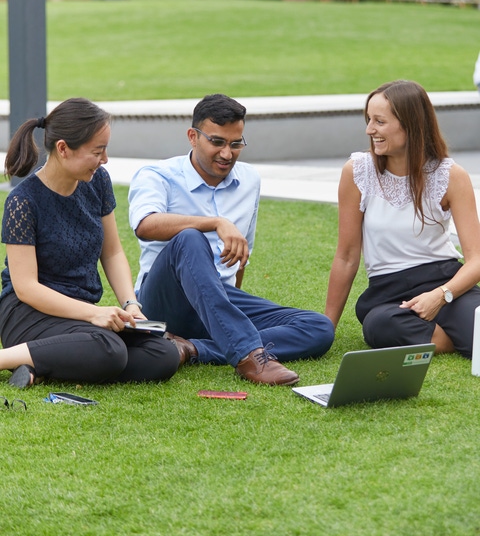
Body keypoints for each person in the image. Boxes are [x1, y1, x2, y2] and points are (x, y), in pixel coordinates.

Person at [128, 93, 334, 385]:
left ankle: (191, 347)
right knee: (189, 238)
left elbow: (240, 254)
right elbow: (144, 224)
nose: (227, 153)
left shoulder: (249, 180)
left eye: (236, 144)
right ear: (192, 136)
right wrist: (215, 223)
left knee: (318, 328)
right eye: (217, 142)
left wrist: (224, 313)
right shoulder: (157, 175)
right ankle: (248, 356)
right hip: (164, 301)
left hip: (218, 298)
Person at [0, 98, 179, 389]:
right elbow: (26, 288)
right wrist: (95, 313)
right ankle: (7, 358)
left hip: (78, 317)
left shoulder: (97, 182)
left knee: (163, 354)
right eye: (98, 151)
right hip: (29, 314)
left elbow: (112, 252)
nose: (105, 159)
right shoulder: (23, 202)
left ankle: (41, 365)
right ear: (63, 149)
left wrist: (130, 304)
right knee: (108, 349)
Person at [325, 79, 480, 358]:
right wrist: (326, 328)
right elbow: (347, 255)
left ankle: (445, 332)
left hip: (445, 282)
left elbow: (477, 258)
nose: (369, 129)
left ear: (410, 124)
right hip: (388, 294)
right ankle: (454, 339)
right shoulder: (358, 171)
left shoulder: (451, 176)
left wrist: (440, 295)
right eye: (369, 119)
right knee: (379, 326)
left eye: (379, 122)